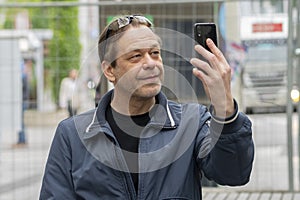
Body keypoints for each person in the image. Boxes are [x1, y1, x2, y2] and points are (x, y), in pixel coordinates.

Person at [40, 14, 254, 199]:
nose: (151, 63)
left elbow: (233, 173)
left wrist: (226, 109)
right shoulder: (72, 135)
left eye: (155, 53)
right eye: (136, 56)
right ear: (109, 70)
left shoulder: (192, 122)